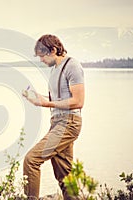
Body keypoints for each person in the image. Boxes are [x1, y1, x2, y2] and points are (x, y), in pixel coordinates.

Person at [22, 34, 84, 200]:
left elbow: (78, 101)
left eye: (42, 55)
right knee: (65, 176)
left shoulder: (72, 66)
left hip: (69, 123)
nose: (41, 60)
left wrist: (46, 103)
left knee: (31, 160)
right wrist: (37, 98)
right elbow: (57, 101)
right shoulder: (55, 70)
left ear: (54, 50)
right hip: (57, 123)